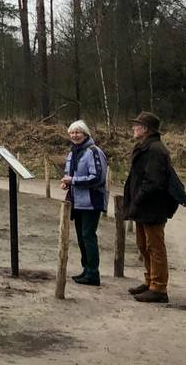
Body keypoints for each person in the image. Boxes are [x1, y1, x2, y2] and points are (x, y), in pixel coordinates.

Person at [123, 111, 176, 303]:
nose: (133, 128)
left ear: (145, 129)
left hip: (152, 205)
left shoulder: (155, 150)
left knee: (155, 246)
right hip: (144, 205)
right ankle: (150, 280)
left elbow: (154, 181)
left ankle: (159, 287)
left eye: (137, 125)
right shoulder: (147, 147)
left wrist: (138, 198)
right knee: (143, 245)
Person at [60, 120, 108, 286]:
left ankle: (93, 273)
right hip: (77, 201)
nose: (75, 135)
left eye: (78, 132)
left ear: (85, 134)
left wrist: (73, 180)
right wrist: (67, 182)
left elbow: (97, 178)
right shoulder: (73, 152)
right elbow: (69, 173)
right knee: (81, 237)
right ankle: (86, 269)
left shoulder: (93, 152)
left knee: (88, 236)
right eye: (72, 133)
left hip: (91, 201)